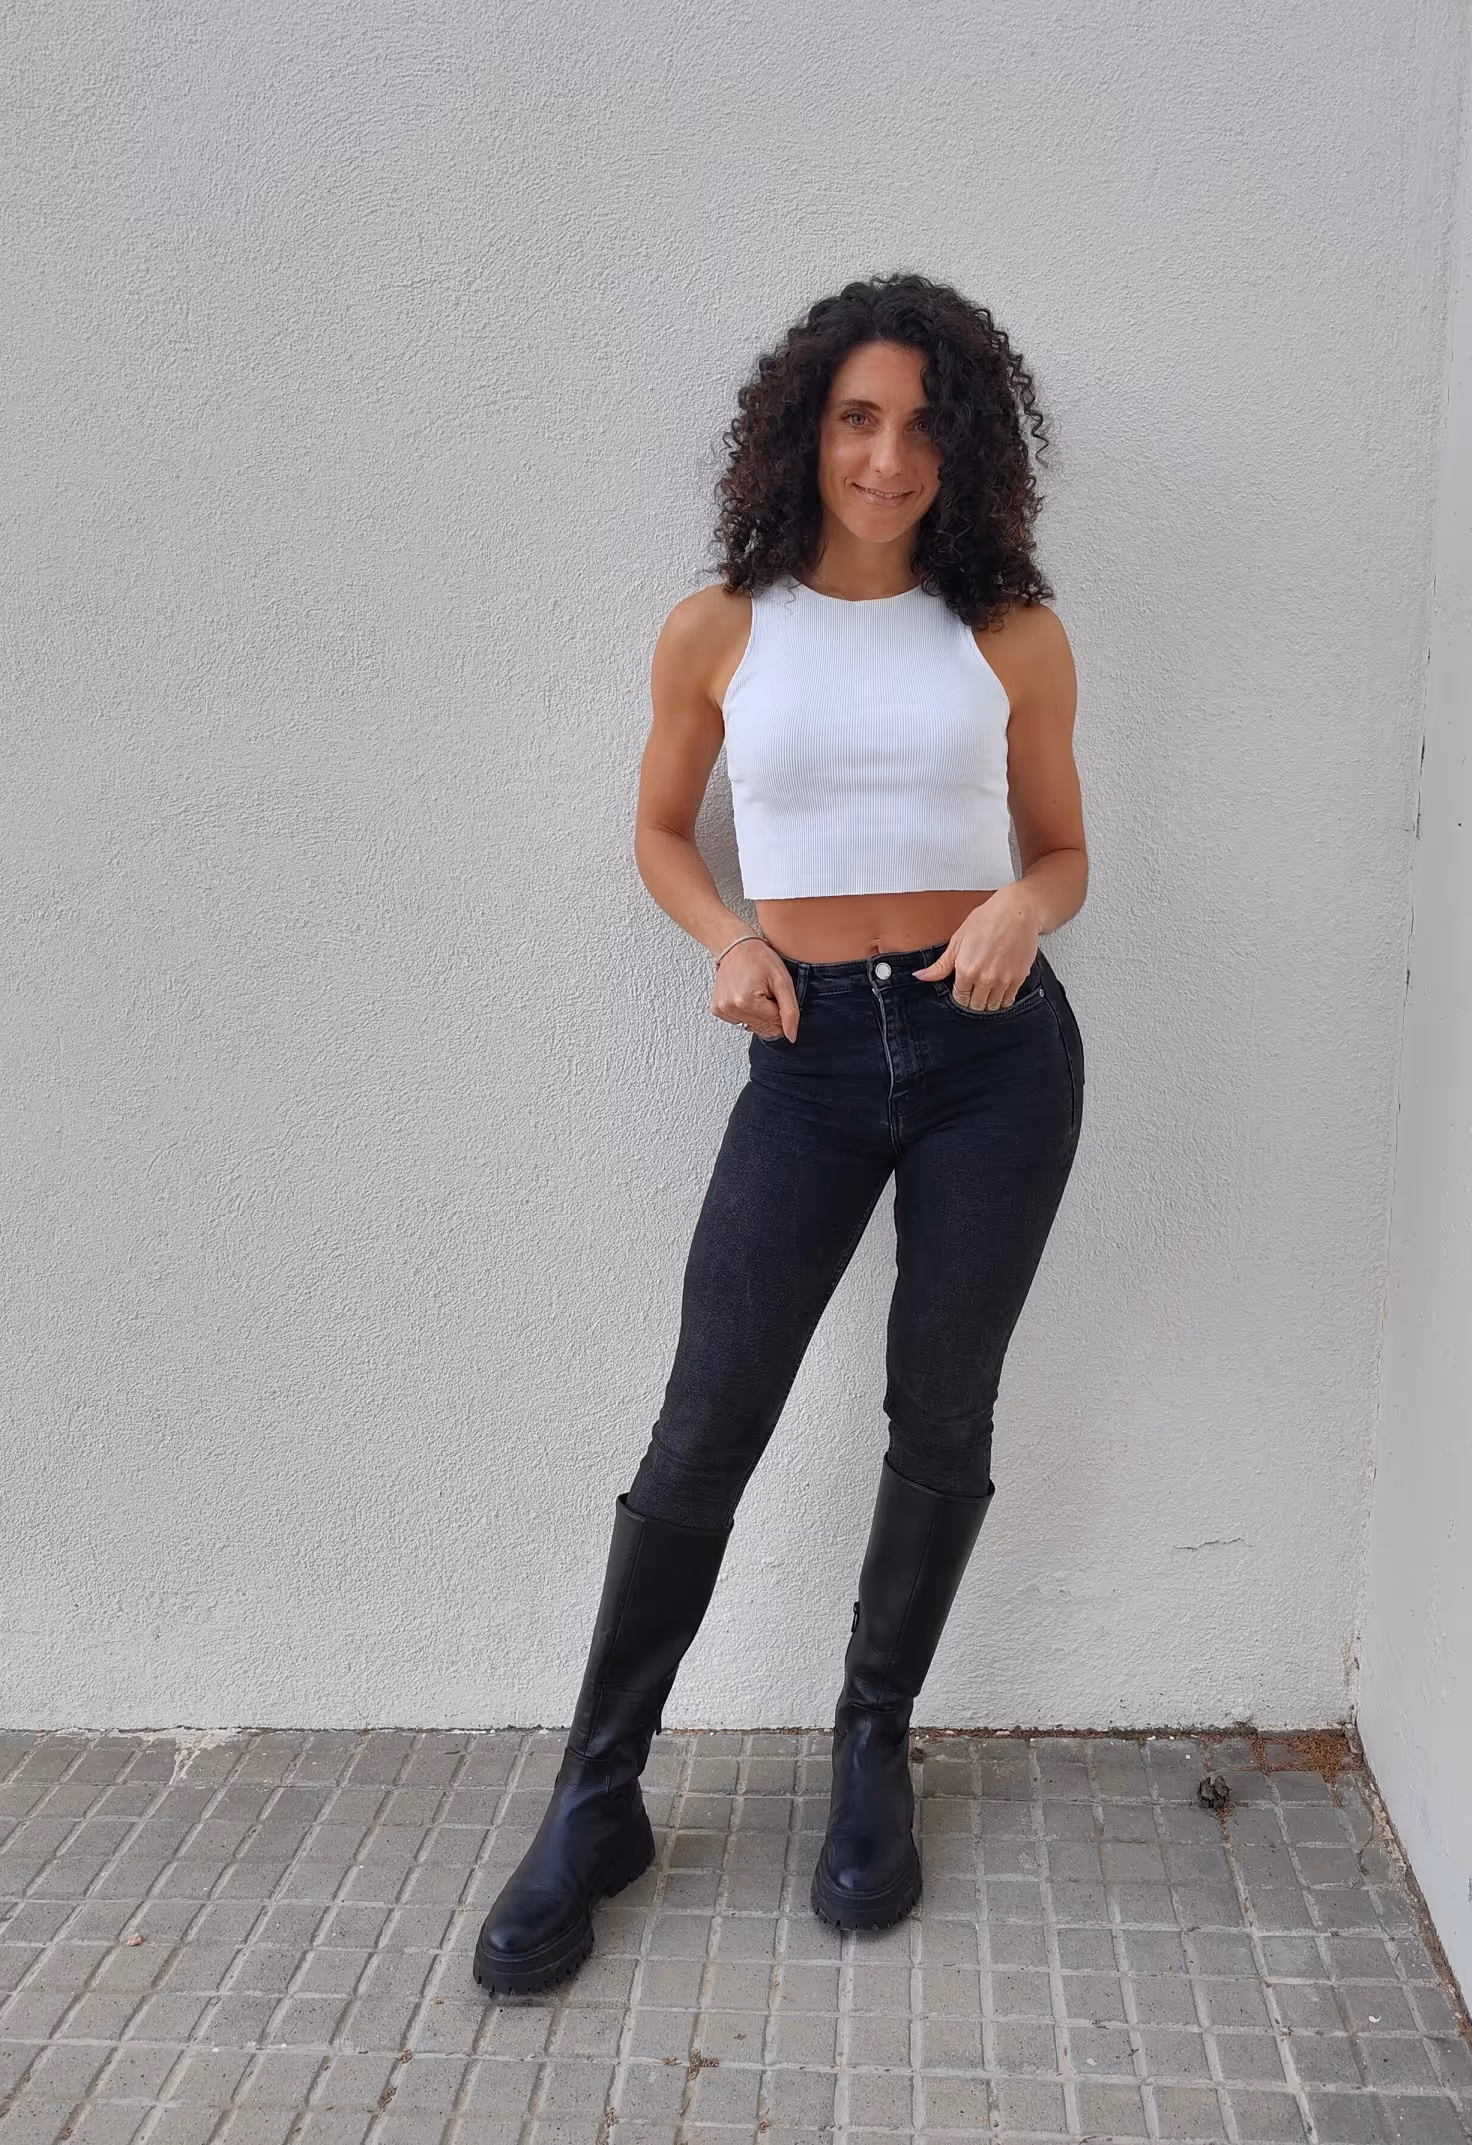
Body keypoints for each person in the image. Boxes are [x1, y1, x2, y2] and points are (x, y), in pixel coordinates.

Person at [472, 271, 1087, 1994]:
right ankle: (596, 1798)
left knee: (941, 1405)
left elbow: (1060, 851)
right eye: (855, 420)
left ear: (966, 449)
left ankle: (871, 1746)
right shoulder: (720, 627)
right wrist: (727, 939)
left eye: (922, 426)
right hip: (808, 1059)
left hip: (992, 1058)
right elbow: (662, 832)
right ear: (803, 434)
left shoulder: (1012, 634)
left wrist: (1022, 907)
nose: (887, 458)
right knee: (707, 1419)